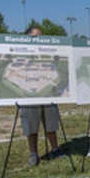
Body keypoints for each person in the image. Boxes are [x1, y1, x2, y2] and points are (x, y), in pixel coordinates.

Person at [21, 27, 63, 166]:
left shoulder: (47, 52)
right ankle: (34, 154)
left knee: (51, 123)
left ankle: (55, 149)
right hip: (29, 95)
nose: (39, 39)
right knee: (31, 125)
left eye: (41, 36)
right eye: (35, 36)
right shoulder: (21, 52)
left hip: (47, 93)